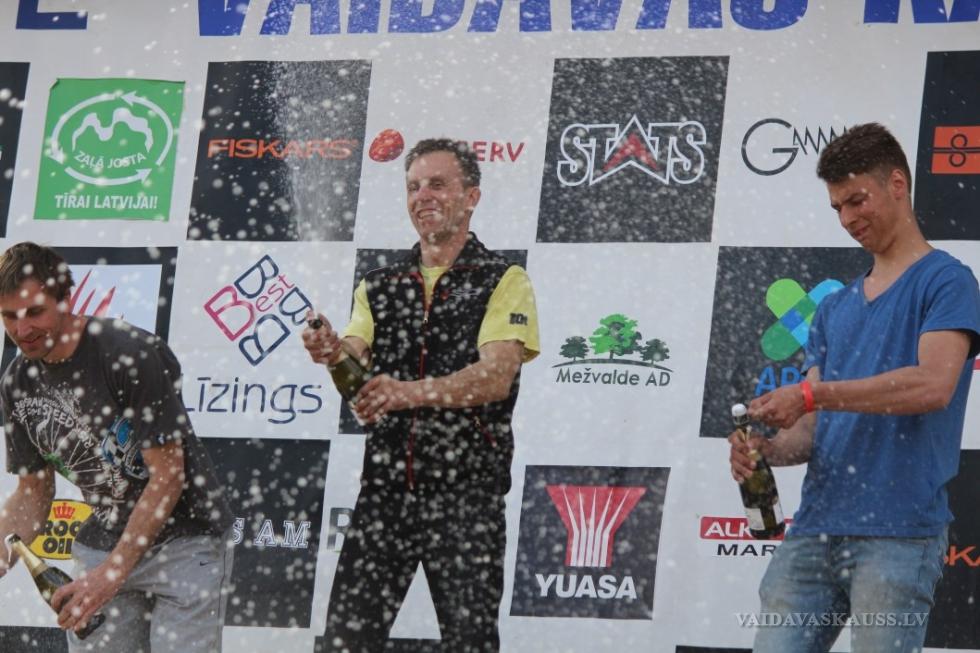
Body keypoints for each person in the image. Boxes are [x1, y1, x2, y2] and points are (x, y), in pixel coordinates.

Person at [729, 123, 980, 652]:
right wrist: (767, 451)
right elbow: (812, 431)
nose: (847, 219)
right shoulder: (833, 307)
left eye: (857, 200)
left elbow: (933, 386)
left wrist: (812, 395)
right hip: (813, 531)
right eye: (837, 207)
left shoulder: (948, 280)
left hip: (899, 534)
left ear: (897, 184)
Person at [303, 138, 539, 652]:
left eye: (437, 184)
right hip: (385, 493)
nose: (422, 196)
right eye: (413, 187)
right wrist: (331, 353)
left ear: (471, 197)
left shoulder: (504, 279)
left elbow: (495, 377)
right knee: (345, 642)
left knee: (470, 643)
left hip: (467, 498)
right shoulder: (379, 283)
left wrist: (408, 393)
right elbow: (353, 373)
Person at [0, 242, 234, 653]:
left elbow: (168, 477)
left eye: (35, 312)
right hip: (103, 542)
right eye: (8, 316)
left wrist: (112, 574)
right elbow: (34, 492)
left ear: (65, 298)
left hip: (186, 539)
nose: (22, 330)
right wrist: (2, 546)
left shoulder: (129, 353)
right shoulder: (15, 384)